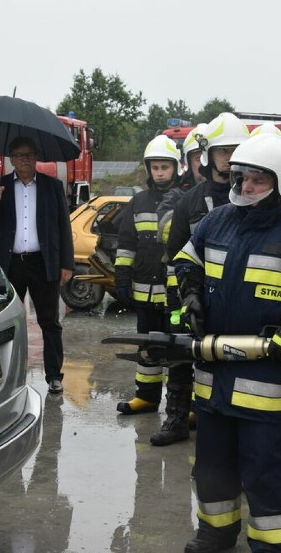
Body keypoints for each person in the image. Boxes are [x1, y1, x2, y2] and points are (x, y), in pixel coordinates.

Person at [174, 133, 281, 552]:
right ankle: (215, 534)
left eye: (257, 180)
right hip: (213, 376)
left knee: (265, 471)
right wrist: (191, 294)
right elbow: (186, 260)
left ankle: (271, 546)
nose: (245, 188)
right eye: (240, 178)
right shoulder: (216, 222)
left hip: (264, 382)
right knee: (213, 466)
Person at [148, 113, 251, 445]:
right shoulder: (190, 201)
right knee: (181, 357)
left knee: (230, 363)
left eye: (237, 150)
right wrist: (184, 301)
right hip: (188, 298)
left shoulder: (256, 199)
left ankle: (225, 430)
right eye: (224, 151)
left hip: (237, 301)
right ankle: (177, 419)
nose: (230, 158)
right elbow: (177, 254)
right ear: (209, 156)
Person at [0, 136, 74, 395]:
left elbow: (63, 226)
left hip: (43, 263)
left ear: (36, 157)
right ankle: (10, 373)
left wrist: (66, 263)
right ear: (11, 159)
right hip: (10, 264)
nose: (25, 159)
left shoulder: (52, 186)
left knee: (49, 321)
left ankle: (54, 375)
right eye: (19, 155)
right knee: (8, 323)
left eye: (29, 154)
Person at [115, 135, 181, 415]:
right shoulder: (138, 202)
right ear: (148, 169)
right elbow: (126, 245)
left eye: (165, 167)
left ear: (175, 168)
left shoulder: (185, 200)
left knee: (178, 349)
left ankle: (179, 403)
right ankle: (146, 397)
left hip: (175, 295)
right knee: (147, 347)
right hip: (144, 292)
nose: (160, 172)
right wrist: (121, 280)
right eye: (155, 167)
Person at [179, 122, 208, 190]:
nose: (204, 165)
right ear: (188, 163)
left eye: (209, 158)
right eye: (199, 159)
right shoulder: (179, 197)